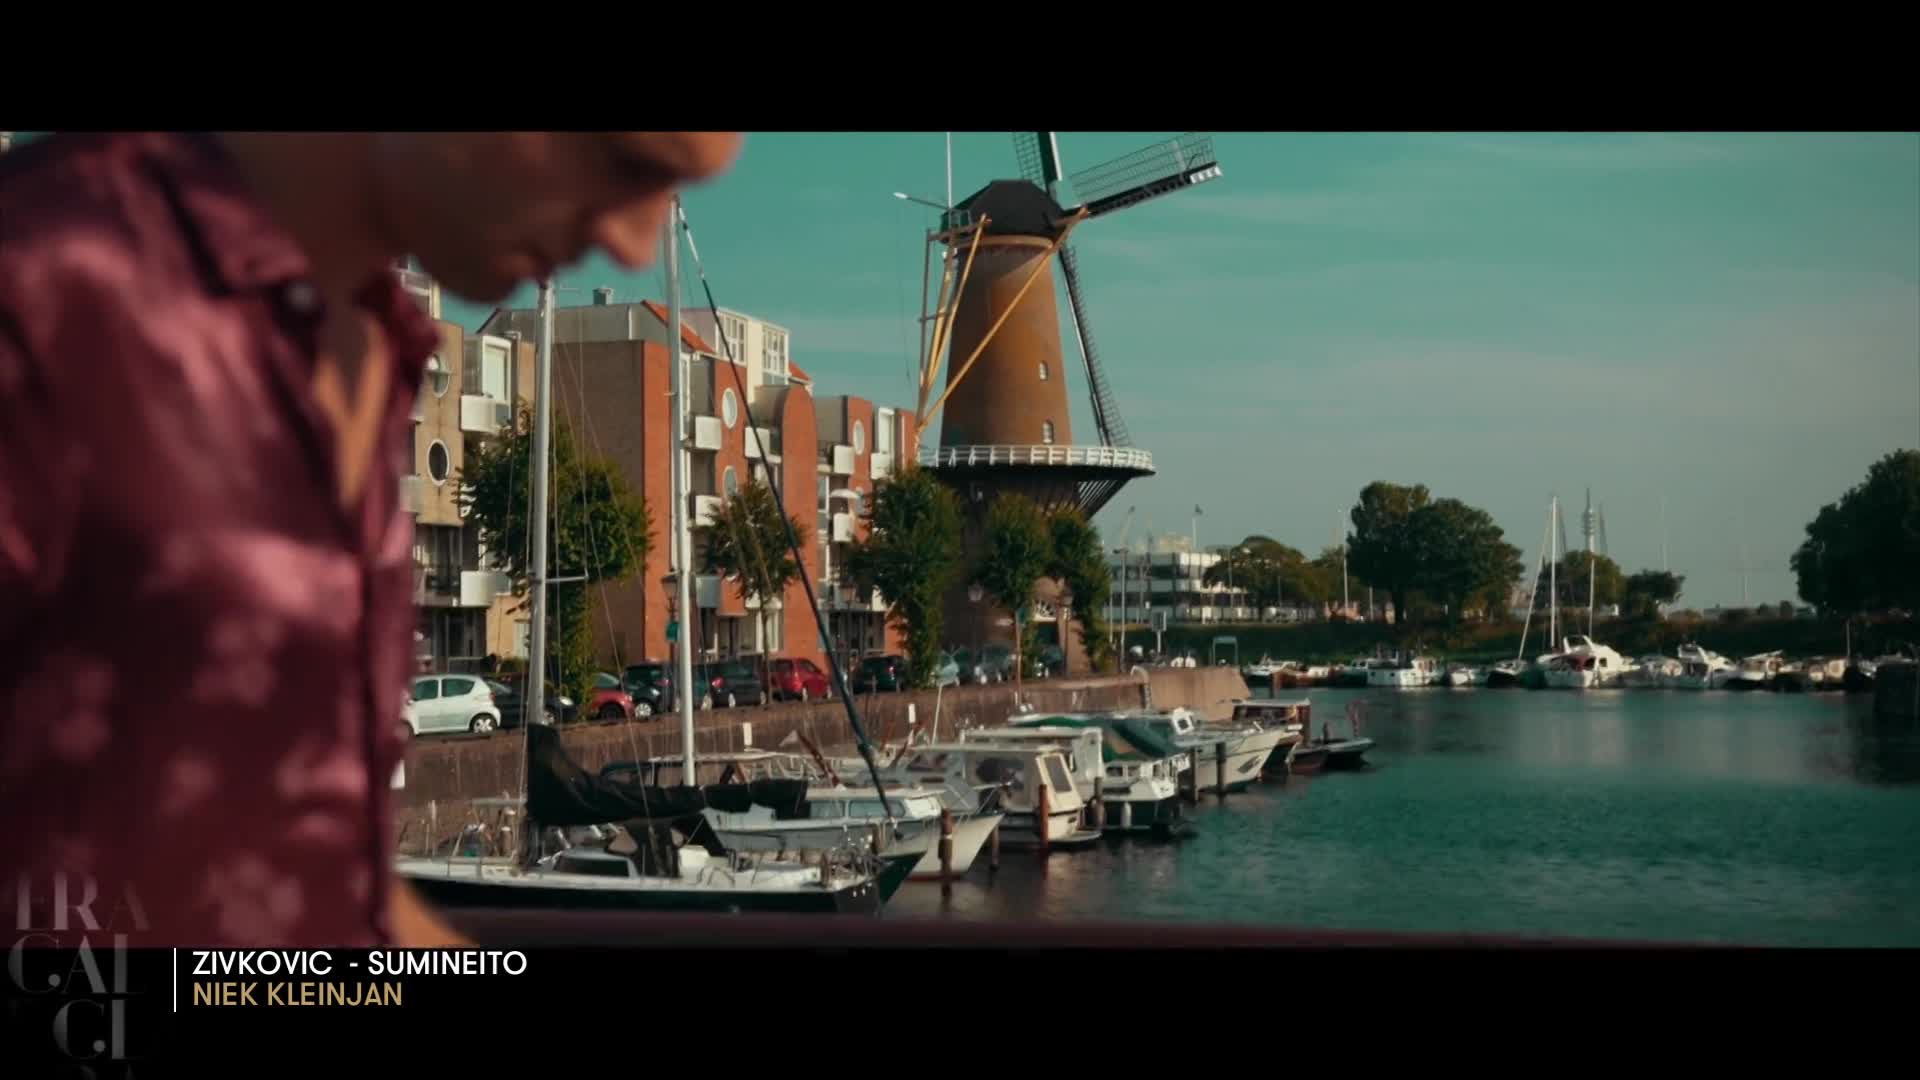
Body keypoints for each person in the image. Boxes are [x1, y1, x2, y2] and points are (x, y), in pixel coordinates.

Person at [0, 131, 743, 947]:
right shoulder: (46, 280)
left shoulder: (373, 350)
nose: (633, 246)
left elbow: (299, 882)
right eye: (618, 156)